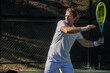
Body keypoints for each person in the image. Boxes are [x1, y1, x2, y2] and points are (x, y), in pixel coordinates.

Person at [44, 8, 104, 73]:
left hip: (66, 60)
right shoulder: (61, 23)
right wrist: (85, 28)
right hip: (53, 59)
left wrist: (97, 43)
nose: (66, 17)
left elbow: (84, 42)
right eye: (66, 15)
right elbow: (67, 30)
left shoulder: (77, 31)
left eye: (69, 16)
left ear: (74, 18)